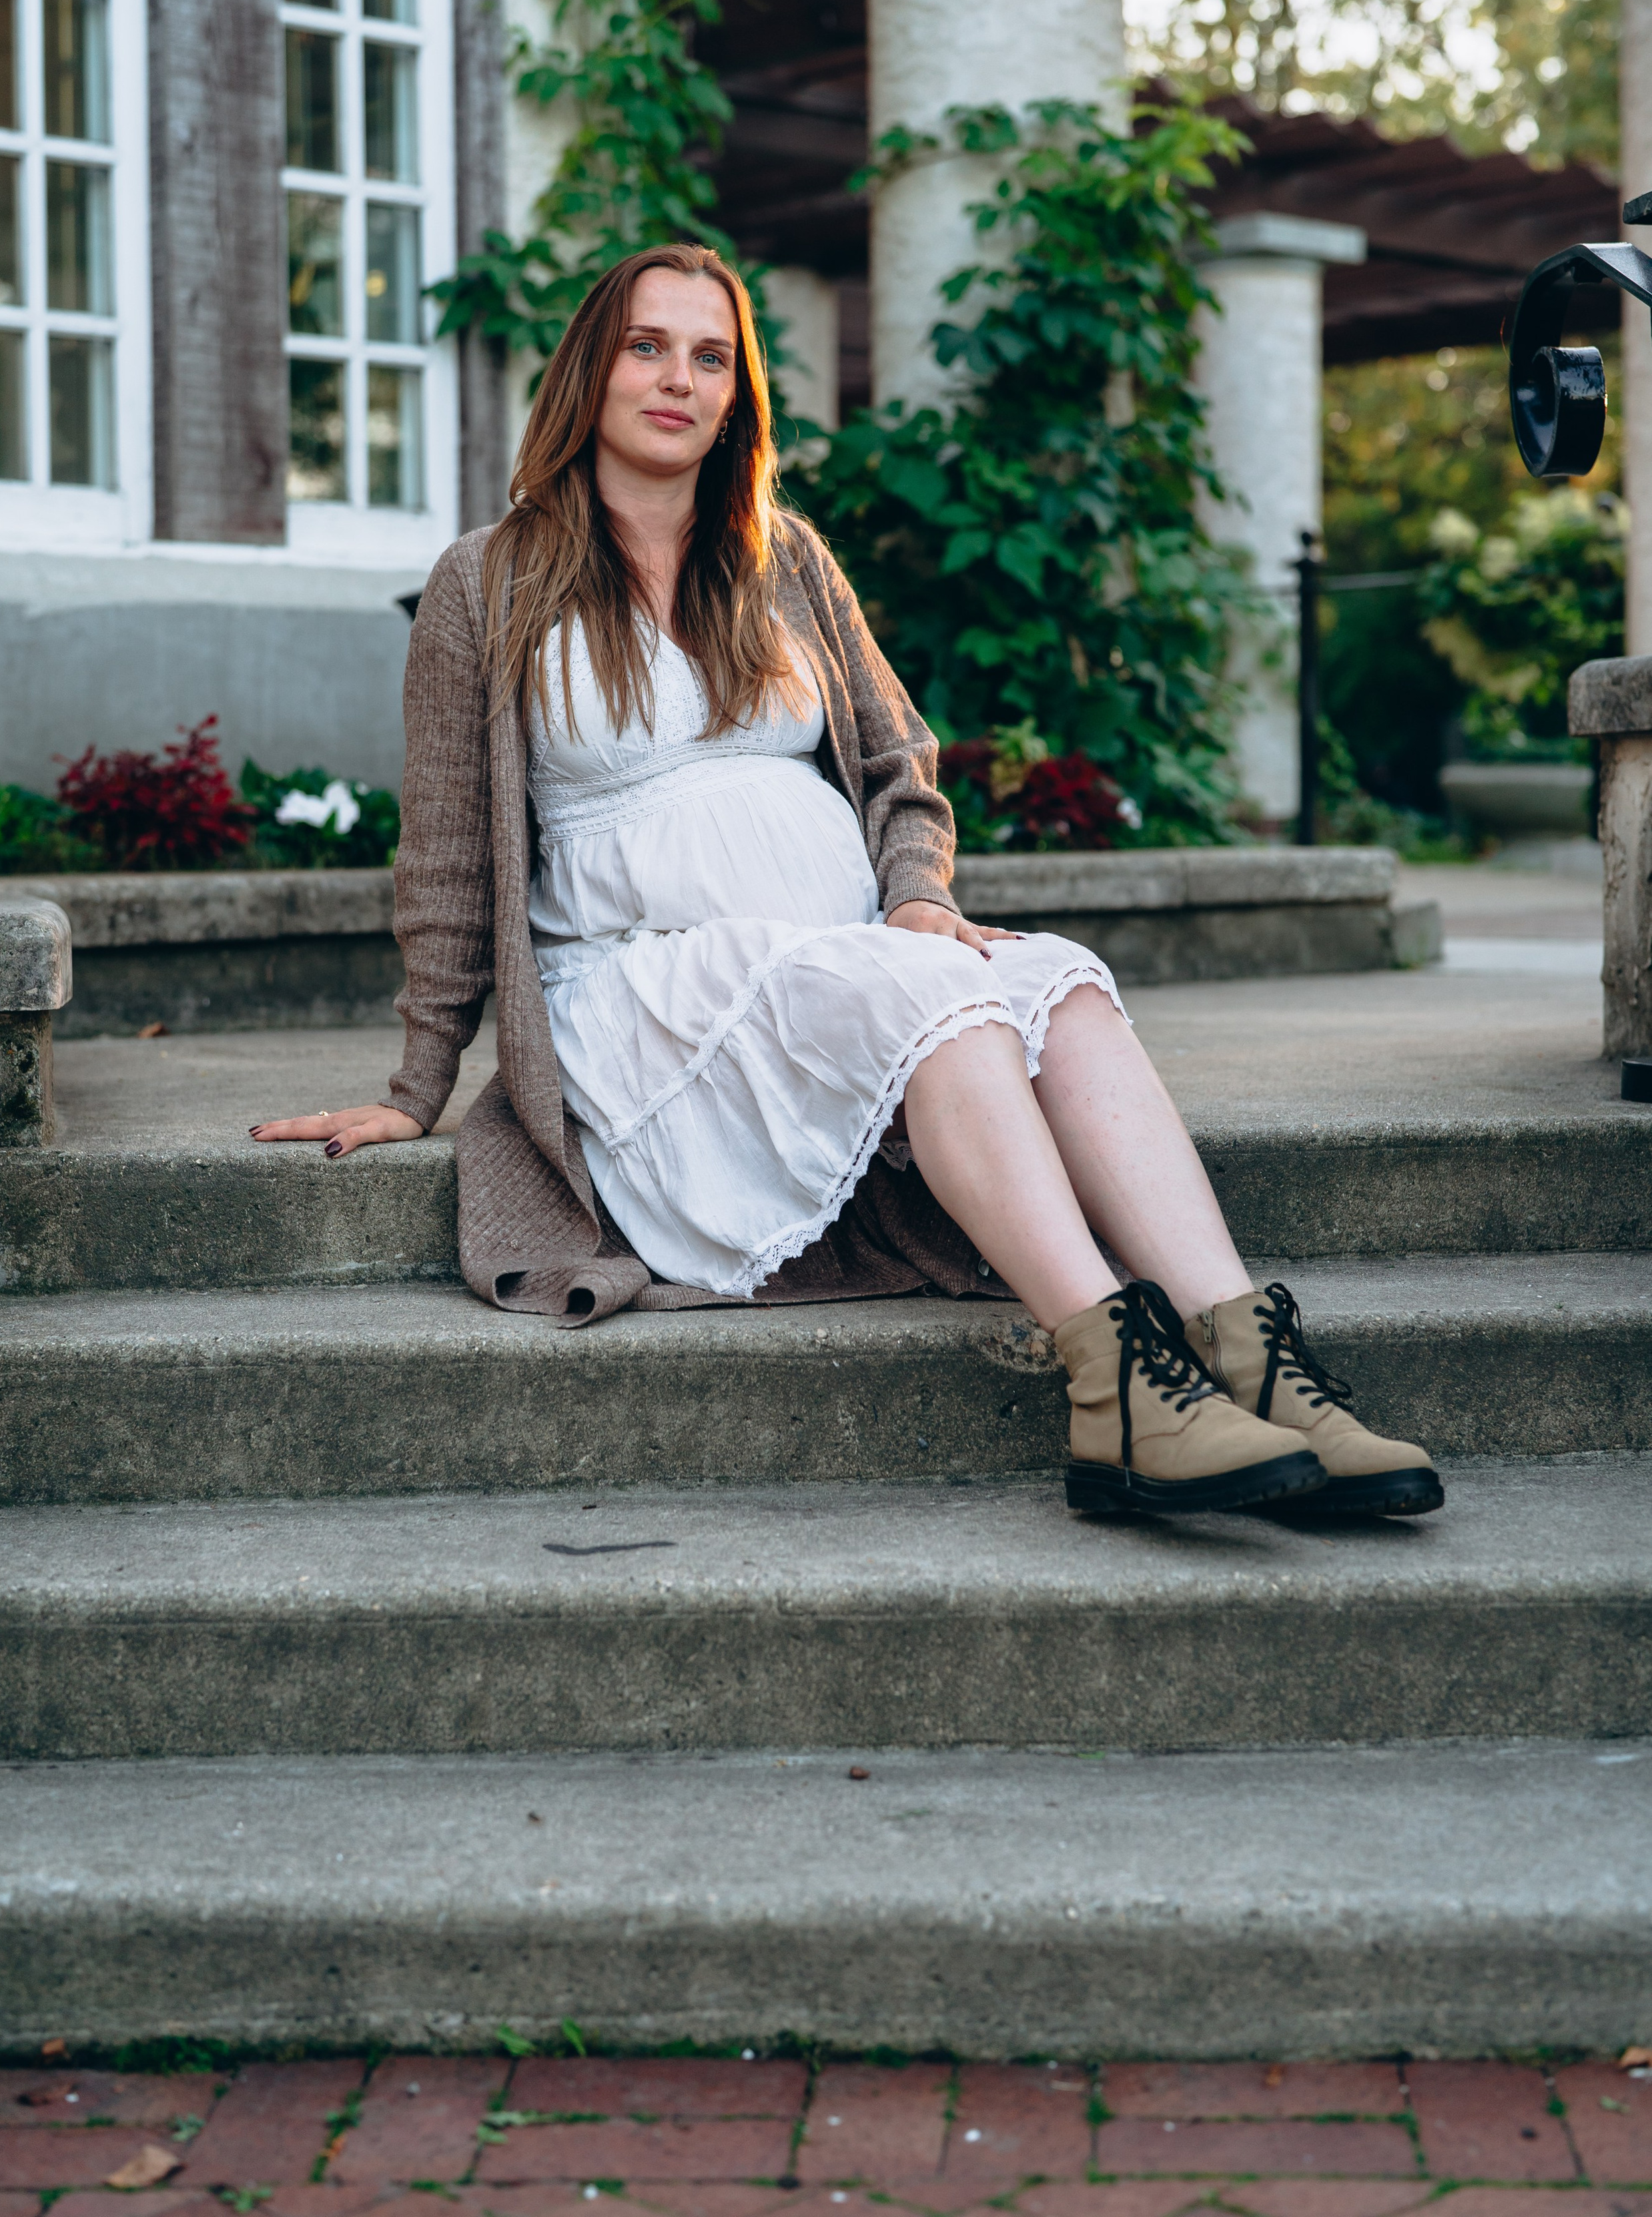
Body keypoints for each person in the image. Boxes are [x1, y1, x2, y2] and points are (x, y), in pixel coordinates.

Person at [252, 243, 1441, 1522]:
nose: (677, 380)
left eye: (712, 358)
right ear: (590, 369)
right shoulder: (484, 580)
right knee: (936, 1005)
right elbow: (443, 855)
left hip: (835, 963)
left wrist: (919, 895)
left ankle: (1253, 1361)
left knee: (1059, 989)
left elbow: (899, 765)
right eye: (648, 347)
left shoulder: (783, 558)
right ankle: (1116, 1391)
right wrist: (418, 1085)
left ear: (738, 395)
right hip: (652, 999)